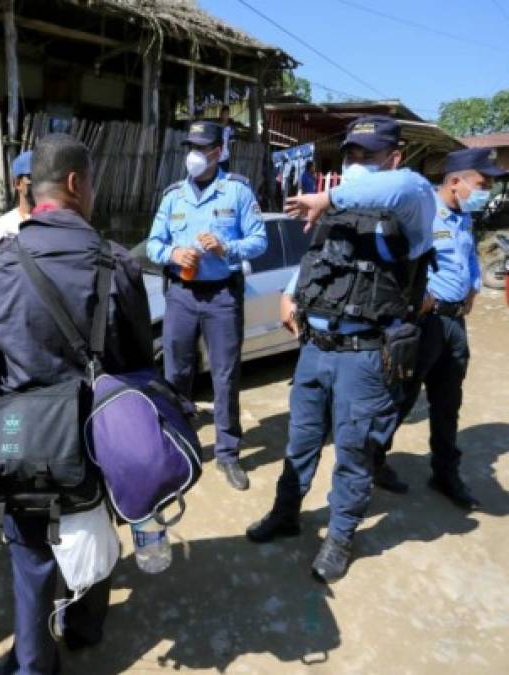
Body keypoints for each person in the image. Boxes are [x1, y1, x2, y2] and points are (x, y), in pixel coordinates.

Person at [0, 133, 153, 674]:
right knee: (93, 527)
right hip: (91, 442)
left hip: (16, 440)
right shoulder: (114, 263)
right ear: (75, 184)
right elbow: (137, 369)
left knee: (31, 556)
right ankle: (85, 627)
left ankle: (35, 662)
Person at [248, 115, 435, 583]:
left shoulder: (411, 197)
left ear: (394, 158)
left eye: (368, 156)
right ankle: (286, 513)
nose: (356, 165)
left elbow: (397, 191)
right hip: (314, 349)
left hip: (366, 355)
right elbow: (320, 257)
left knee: (353, 450)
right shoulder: (335, 210)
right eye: (351, 155)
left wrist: (328, 195)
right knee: (301, 440)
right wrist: (291, 290)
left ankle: (340, 536)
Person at [371, 147, 505, 507]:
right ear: (455, 181)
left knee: (448, 402)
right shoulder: (423, 212)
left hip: (454, 323)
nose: (487, 190)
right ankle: (372, 460)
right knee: (401, 397)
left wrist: (474, 287)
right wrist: (419, 296)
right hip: (424, 323)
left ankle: (445, 474)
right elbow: (399, 263)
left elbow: (469, 258)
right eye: (483, 182)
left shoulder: (463, 217)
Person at [147, 120, 267, 491]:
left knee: (224, 375)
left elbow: (259, 241)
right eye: (191, 147)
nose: (194, 155)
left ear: (218, 151)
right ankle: (180, 447)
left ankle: (228, 453)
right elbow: (152, 244)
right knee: (175, 374)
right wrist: (171, 253)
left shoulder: (237, 193)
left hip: (222, 296)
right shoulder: (173, 196)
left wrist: (225, 247)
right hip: (181, 296)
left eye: (202, 148)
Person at [0, 151, 33, 244]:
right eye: (32, 177)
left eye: (42, 177)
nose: (39, 182)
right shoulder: (3, 227)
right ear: (17, 183)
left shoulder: (55, 222)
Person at [218, 105, 235, 173]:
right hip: (216, 158)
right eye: (224, 114)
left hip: (225, 158)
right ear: (221, 115)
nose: (225, 116)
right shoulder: (217, 127)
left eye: (227, 114)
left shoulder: (230, 129)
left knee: (224, 179)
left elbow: (231, 142)